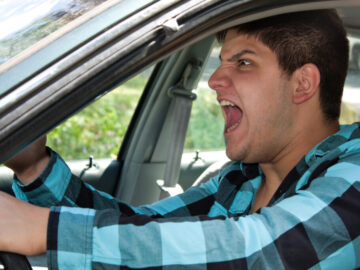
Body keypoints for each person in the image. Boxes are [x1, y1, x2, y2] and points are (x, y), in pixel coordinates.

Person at [1, 8, 359, 269]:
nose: (215, 79)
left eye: (244, 62)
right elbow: (137, 228)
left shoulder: (354, 173)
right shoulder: (238, 179)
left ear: (303, 84)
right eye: (221, 62)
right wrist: (35, 167)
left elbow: (260, 251)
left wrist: (43, 231)